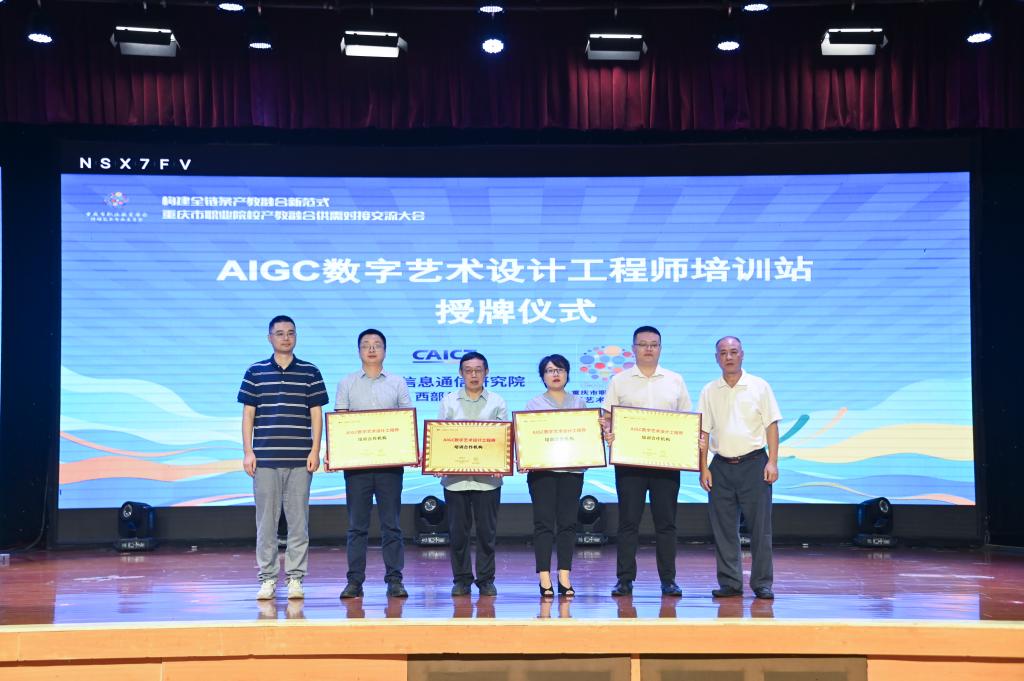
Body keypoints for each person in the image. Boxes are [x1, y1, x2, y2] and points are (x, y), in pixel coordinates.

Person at [238, 315, 329, 601]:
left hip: (300, 459)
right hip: (265, 459)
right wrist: (248, 451)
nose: (286, 338)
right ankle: (267, 578)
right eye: (279, 333)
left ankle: (295, 578)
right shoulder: (255, 372)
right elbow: (248, 415)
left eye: (290, 333)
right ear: (270, 338)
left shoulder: (310, 371)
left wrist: (315, 450)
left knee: (298, 522)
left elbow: (316, 414)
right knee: (265, 524)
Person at [602, 325, 691, 597]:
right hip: (630, 463)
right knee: (628, 522)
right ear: (634, 348)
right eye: (643, 344)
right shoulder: (619, 381)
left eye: (653, 344)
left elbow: (687, 420)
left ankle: (669, 580)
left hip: (667, 463)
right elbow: (607, 417)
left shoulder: (675, 380)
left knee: (666, 524)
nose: (648, 349)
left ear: (660, 348)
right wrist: (608, 432)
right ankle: (624, 580)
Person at [697, 336, 781, 600]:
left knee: (760, 528)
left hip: (755, 464)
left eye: (733, 352)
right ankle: (730, 583)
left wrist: (772, 461)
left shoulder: (759, 386)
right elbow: (703, 432)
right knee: (723, 530)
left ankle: (762, 583)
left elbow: (771, 425)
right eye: (723, 353)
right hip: (720, 466)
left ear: (742, 354)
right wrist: (703, 468)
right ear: (717, 358)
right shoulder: (709, 390)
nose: (729, 357)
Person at [335, 329, 413, 599]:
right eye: (366, 345)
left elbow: (405, 421)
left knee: (392, 525)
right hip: (356, 467)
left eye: (377, 345)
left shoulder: (397, 383)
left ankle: (395, 580)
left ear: (385, 351)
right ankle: (354, 581)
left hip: (390, 466)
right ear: (359, 351)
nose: (371, 349)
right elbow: (341, 424)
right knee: (357, 527)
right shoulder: (347, 383)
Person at [437, 351, 508, 597]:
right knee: (458, 534)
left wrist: (501, 462)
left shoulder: (497, 401)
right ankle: (462, 580)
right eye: (468, 370)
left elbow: (503, 439)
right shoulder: (449, 401)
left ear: (486, 372)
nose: (474, 375)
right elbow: (440, 437)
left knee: (487, 534)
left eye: (478, 370)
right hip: (455, 481)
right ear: (461, 373)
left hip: (488, 481)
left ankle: (486, 580)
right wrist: (438, 461)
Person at [524, 353, 588, 598]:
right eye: (550, 370)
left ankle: (564, 575)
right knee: (543, 524)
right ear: (543, 376)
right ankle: (544, 577)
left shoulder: (579, 403)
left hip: (572, 472)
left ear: (567, 374)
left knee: (568, 524)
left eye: (560, 370)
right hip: (543, 473)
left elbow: (586, 438)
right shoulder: (533, 405)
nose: (555, 374)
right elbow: (527, 438)